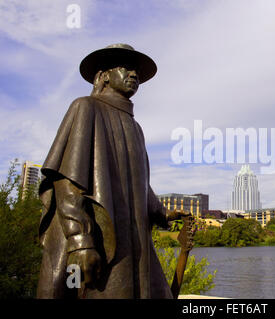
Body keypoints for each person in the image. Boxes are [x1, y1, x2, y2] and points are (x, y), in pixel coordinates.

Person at [37, 44, 186, 298]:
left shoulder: (135, 128)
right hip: (101, 240)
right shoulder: (85, 107)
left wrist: (163, 213)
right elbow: (67, 182)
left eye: (136, 70)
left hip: (136, 245)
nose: (134, 74)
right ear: (104, 75)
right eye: (125, 67)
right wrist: (81, 242)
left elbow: (141, 183)